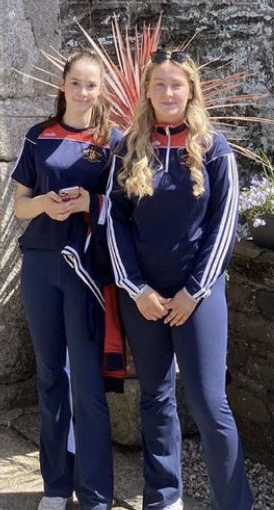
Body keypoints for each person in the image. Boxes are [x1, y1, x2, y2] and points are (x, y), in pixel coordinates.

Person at [106, 49, 253, 510]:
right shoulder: (129, 148)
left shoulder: (214, 148)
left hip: (199, 296)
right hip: (144, 298)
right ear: (147, 92)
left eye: (177, 84)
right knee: (155, 396)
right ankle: (164, 498)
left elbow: (224, 225)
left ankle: (234, 503)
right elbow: (115, 223)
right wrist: (136, 289)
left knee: (209, 403)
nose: (168, 93)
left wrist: (194, 291)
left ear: (191, 91)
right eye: (160, 85)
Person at [12, 50, 122, 510]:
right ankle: (56, 486)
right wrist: (45, 204)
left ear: (101, 90)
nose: (82, 91)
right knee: (50, 376)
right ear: (63, 85)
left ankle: (95, 494)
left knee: (87, 382)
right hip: (40, 264)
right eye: (75, 82)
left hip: (86, 271)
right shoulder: (38, 136)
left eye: (91, 84)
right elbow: (20, 205)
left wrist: (86, 204)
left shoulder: (113, 142)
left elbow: (124, 208)